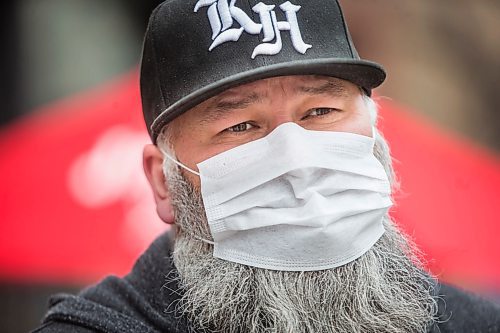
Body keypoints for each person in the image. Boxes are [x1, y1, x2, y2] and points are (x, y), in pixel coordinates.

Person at [33, 0, 500, 332]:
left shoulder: (471, 323)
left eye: (321, 112)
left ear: (377, 136)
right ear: (163, 181)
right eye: (240, 126)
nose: (296, 160)